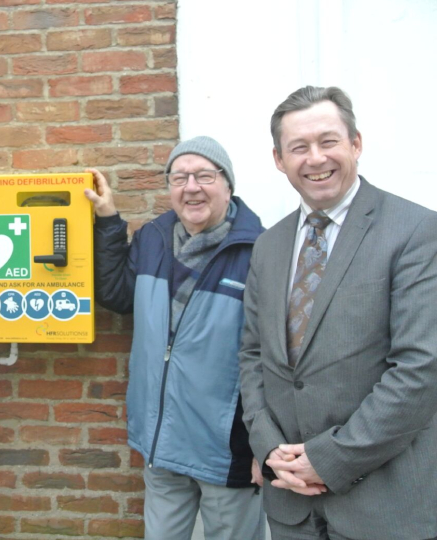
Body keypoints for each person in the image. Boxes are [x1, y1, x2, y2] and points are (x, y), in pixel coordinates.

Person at [239, 86, 437, 540]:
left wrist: (330, 459)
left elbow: (420, 369)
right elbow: (252, 357)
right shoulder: (269, 246)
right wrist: (269, 449)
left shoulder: (417, 232)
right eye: (298, 147)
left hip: (383, 508)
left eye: (328, 141)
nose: (315, 158)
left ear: (356, 144)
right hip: (291, 506)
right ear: (278, 159)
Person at [86, 136, 266, 540]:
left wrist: (265, 443)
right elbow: (117, 294)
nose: (191, 187)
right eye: (179, 177)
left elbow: (274, 356)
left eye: (204, 175)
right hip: (161, 440)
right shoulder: (154, 238)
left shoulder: (259, 251)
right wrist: (109, 221)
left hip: (226, 448)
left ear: (227, 184)